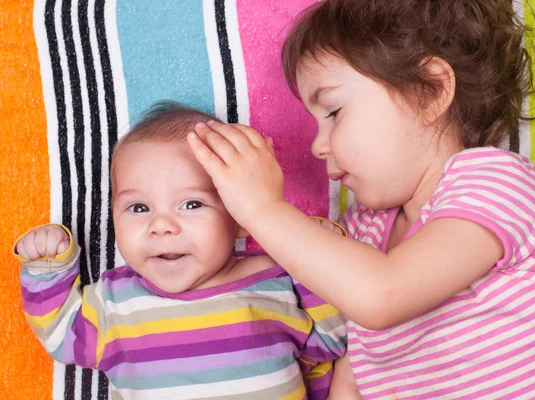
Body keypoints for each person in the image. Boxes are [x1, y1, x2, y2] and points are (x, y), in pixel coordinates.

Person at [185, 0, 535, 398]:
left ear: (429, 92)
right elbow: (356, 366)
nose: (318, 145)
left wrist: (264, 210)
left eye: (335, 112)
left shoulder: (497, 183)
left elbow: (381, 297)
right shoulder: (363, 231)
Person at [14, 102, 347, 399]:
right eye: (139, 208)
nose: (161, 226)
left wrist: (319, 251)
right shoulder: (116, 303)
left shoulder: (277, 277)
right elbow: (62, 335)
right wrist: (47, 266)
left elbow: (332, 340)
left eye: (191, 204)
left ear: (241, 214)